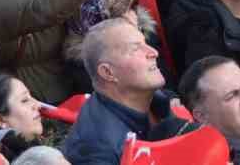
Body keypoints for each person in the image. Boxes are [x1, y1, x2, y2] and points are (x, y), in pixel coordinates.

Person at [63, 18, 170, 165]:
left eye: (146, 44)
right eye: (135, 49)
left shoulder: (157, 100)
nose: (154, 52)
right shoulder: (96, 149)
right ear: (108, 72)